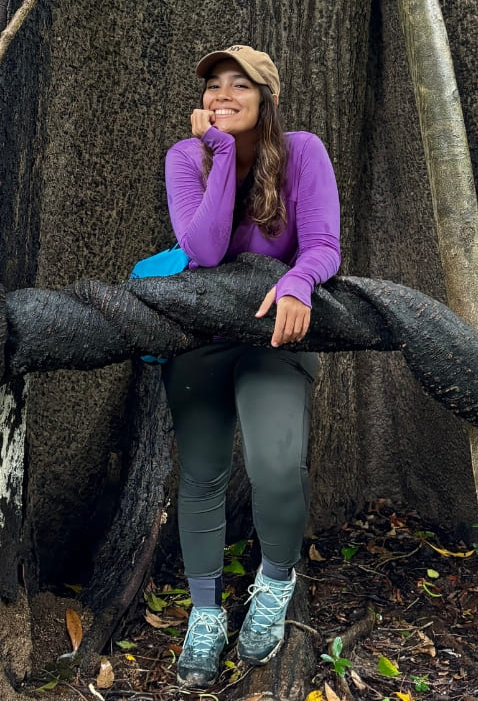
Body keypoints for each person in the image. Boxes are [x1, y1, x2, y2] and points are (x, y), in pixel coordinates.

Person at [162, 44, 341, 686]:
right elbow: (204, 252)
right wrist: (219, 155)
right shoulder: (186, 158)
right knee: (203, 476)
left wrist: (298, 283)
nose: (224, 95)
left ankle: (273, 583)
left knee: (275, 469)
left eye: (240, 85)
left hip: (272, 336)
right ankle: (205, 614)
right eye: (214, 86)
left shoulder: (302, 152)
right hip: (201, 336)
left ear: (265, 98)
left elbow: (322, 244)